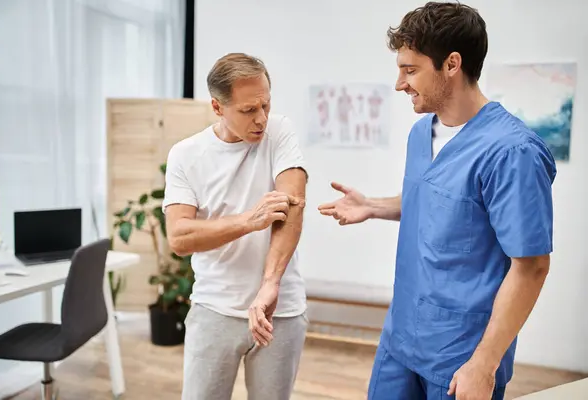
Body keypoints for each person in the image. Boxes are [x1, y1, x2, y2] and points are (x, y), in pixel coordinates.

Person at [318, 2, 557, 399]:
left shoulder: (513, 152)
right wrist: (374, 206)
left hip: (460, 353)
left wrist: (485, 362)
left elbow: (531, 266)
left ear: (451, 64)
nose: (399, 84)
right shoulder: (420, 133)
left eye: (410, 70)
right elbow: (441, 204)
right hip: (401, 338)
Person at [163, 52, 309, 400]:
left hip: (280, 311)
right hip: (215, 308)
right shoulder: (186, 155)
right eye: (248, 110)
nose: (261, 119)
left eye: (266, 105)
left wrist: (270, 283)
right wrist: (248, 220)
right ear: (217, 107)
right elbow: (180, 237)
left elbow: (293, 207)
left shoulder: (280, 131)